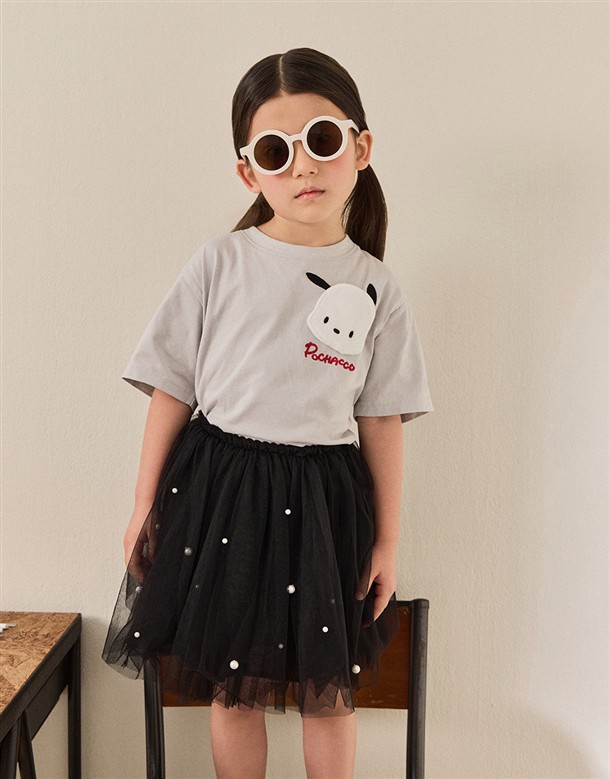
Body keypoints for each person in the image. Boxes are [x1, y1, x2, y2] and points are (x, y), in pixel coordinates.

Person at [102, 47, 432, 779]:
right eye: (276, 152)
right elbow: (172, 388)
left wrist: (388, 539)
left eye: (321, 139)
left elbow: (381, 419)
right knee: (234, 685)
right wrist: (142, 502)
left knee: (329, 693)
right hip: (222, 492)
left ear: (360, 147)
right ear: (249, 172)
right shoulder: (218, 263)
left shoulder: (378, 288)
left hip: (325, 503)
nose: (303, 166)